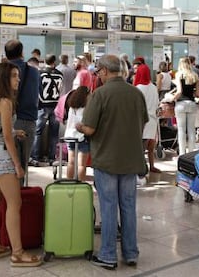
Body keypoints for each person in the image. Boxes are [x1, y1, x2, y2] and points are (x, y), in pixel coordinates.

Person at [77, 54, 148, 270]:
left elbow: (89, 129)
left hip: (106, 159)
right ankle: (131, 253)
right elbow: (143, 121)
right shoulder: (136, 93)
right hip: (131, 158)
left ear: (105, 71)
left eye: (98, 71)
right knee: (128, 206)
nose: (97, 75)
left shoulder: (99, 94)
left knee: (109, 207)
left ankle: (108, 255)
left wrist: (80, 126)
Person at [0, 62, 41, 267]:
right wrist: (17, 164)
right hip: (3, 158)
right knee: (15, 205)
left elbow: (0, 130)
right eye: (14, 76)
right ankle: (17, 252)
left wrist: (16, 132)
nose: (18, 79)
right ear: (5, 79)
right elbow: (6, 137)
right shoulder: (5, 102)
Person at [5, 40, 40, 169]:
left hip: (6, 119)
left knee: (7, 163)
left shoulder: (3, 71)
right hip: (28, 119)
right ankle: (20, 189)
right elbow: (38, 94)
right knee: (22, 164)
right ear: (22, 53)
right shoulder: (35, 72)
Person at [30, 54, 63, 167]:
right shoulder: (60, 74)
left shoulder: (40, 73)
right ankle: (51, 157)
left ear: (45, 61)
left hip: (43, 106)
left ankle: (35, 156)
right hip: (55, 105)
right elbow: (60, 89)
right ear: (54, 62)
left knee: (38, 132)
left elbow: (36, 90)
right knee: (54, 133)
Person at [134, 61, 161, 175]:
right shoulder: (154, 87)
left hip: (142, 122)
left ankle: (140, 170)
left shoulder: (138, 88)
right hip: (153, 121)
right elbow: (157, 104)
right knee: (150, 147)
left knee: (140, 148)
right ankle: (152, 166)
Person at [172, 57, 199, 155]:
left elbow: (179, 91)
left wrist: (172, 98)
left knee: (181, 130)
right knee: (191, 130)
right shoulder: (195, 76)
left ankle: (182, 154)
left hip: (181, 104)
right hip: (192, 104)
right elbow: (197, 93)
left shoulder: (179, 75)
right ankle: (191, 154)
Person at [64, 86, 90, 181]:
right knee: (81, 165)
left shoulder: (71, 107)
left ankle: (69, 181)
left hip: (70, 136)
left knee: (70, 162)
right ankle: (81, 184)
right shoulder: (86, 109)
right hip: (82, 137)